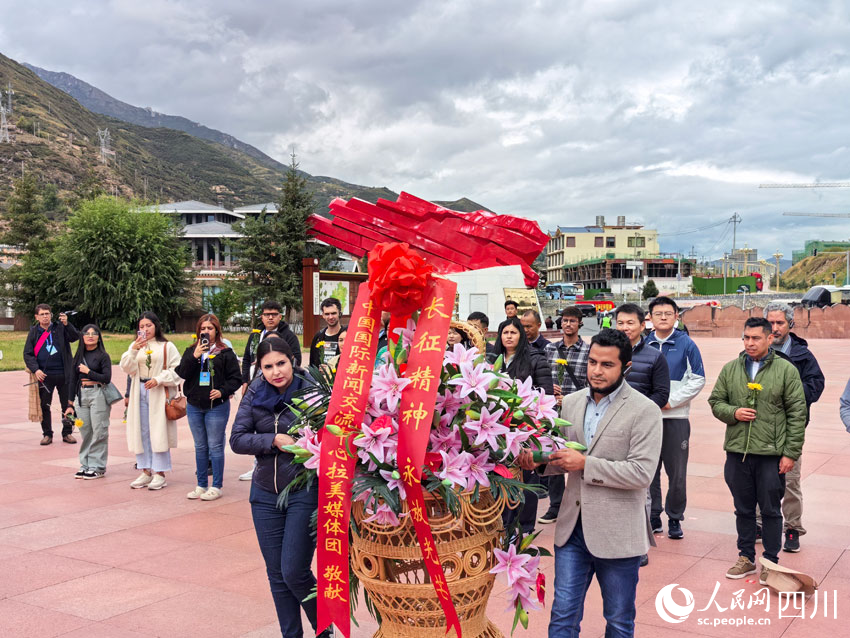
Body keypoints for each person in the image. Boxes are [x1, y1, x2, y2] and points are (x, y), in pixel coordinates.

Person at [519, 328, 662, 638]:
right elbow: (564, 456)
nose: (597, 371)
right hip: (573, 530)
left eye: (607, 365)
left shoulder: (645, 411)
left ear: (626, 367)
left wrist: (585, 464)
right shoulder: (570, 403)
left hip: (618, 533)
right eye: (593, 362)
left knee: (619, 621)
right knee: (562, 617)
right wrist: (540, 460)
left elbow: (641, 473)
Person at [229, 339, 331, 638]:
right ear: (260, 369)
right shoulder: (254, 393)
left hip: (304, 490)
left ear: (292, 360)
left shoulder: (313, 390)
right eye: (268, 366)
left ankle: (325, 631)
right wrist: (272, 440)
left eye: (281, 363)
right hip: (263, 493)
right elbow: (237, 439)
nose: (276, 372)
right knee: (276, 575)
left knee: (294, 572)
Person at [708, 317, 806, 582]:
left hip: (771, 455)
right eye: (746, 338)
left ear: (769, 338)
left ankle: (771, 562)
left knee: (772, 510)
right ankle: (746, 557)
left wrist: (790, 453)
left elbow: (798, 413)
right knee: (743, 509)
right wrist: (734, 412)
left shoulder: (786, 370)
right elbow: (716, 401)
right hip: (738, 452)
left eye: (756, 338)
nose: (750, 343)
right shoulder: (731, 369)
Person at [758, 301, 824, 552]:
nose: (774, 328)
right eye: (771, 323)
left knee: (790, 479)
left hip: (790, 428)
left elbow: (816, 385)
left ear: (789, 324)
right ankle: (758, 522)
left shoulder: (802, 354)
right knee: (759, 477)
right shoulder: (755, 351)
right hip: (760, 426)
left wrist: (790, 394)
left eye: (779, 323)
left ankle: (792, 528)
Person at [645, 297, 706, 540]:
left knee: (677, 472)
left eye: (668, 313)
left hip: (676, 417)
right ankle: (653, 514)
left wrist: (671, 401)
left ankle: (674, 517)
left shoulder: (686, 344)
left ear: (676, 316)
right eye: (657, 313)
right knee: (649, 470)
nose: (662, 317)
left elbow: (698, 379)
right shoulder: (643, 343)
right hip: (647, 418)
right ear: (649, 317)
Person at [615, 303, 669, 567]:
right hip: (610, 429)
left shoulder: (654, 356)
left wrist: (638, 414)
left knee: (640, 488)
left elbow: (661, 394)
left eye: (630, 323)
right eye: (621, 323)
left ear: (642, 325)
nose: (625, 328)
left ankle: (640, 544)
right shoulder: (608, 352)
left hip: (640, 430)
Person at [494, 316, 553, 537]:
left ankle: (525, 526)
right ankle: (505, 523)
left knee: (527, 477)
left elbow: (545, 394)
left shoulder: (535, 359)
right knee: (504, 475)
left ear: (521, 336)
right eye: (505, 332)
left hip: (527, 427)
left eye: (513, 332)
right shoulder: (493, 360)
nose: (509, 336)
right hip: (499, 427)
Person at [176, 314, 242, 501]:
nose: (206, 332)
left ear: (217, 331)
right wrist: (195, 356)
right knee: (200, 446)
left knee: (215, 446)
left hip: (216, 407)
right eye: (203, 328)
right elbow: (181, 373)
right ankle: (201, 484)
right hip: (194, 405)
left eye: (210, 328)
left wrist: (222, 391)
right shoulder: (191, 351)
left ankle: (216, 485)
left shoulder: (225, 352)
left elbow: (236, 378)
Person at [539, 305, 591, 525]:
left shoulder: (588, 351)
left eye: (572, 321)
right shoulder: (550, 350)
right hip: (554, 412)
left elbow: (592, 384)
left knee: (582, 456)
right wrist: (551, 390)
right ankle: (555, 505)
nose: (568, 324)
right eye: (565, 320)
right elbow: (541, 379)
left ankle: (584, 505)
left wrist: (570, 398)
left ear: (580, 323)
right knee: (554, 458)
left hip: (579, 411)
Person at [120, 311, 182, 490]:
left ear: (156, 326)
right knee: (142, 430)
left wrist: (159, 379)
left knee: (158, 430)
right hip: (138, 390)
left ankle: (160, 472)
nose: (145, 329)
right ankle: (145, 469)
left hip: (157, 391)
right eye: (141, 327)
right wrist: (133, 349)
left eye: (149, 325)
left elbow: (177, 369)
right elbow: (127, 367)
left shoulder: (166, 346)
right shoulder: (136, 346)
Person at [23, 304, 80, 445]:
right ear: (36, 317)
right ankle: (47, 434)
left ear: (51, 315)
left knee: (68, 404)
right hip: (44, 376)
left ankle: (67, 433)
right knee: (44, 405)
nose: (45, 316)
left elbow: (75, 337)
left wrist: (67, 324)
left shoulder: (60, 328)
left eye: (47, 313)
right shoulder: (34, 332)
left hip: (64, 374)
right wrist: (36, 369)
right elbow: (27, 354)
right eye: (42, 314)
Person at [64, 324, 112, 479]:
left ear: (98, 337)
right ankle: (85, 464)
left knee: (99, 431)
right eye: (87, 333)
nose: (90, 336)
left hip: (98, 394)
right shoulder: (78, 356)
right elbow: (72, 380)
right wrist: (70, 404)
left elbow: (106, 378)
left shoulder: (103, 356)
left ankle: (97, 466)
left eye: (94, 333)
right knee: (86, 431)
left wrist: (88, 372)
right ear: (82, 337)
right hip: (81, 395)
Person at [241, 300, 302, 394]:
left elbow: (296, 360)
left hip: (278, 385)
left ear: (280, 317)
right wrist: (245, 381)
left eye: (274, 314)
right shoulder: (255, 335)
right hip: (254, 383)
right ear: (262, 317)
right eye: (267, 314)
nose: (270, 317)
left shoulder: (289, 336)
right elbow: (246, 359)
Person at [309, 297, 345, 368]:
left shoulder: (347, 335)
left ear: (339, 313)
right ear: (323, 315)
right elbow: (312, 364)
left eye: (333, 313)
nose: (330, 317)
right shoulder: (318, 337)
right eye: (327, 314)